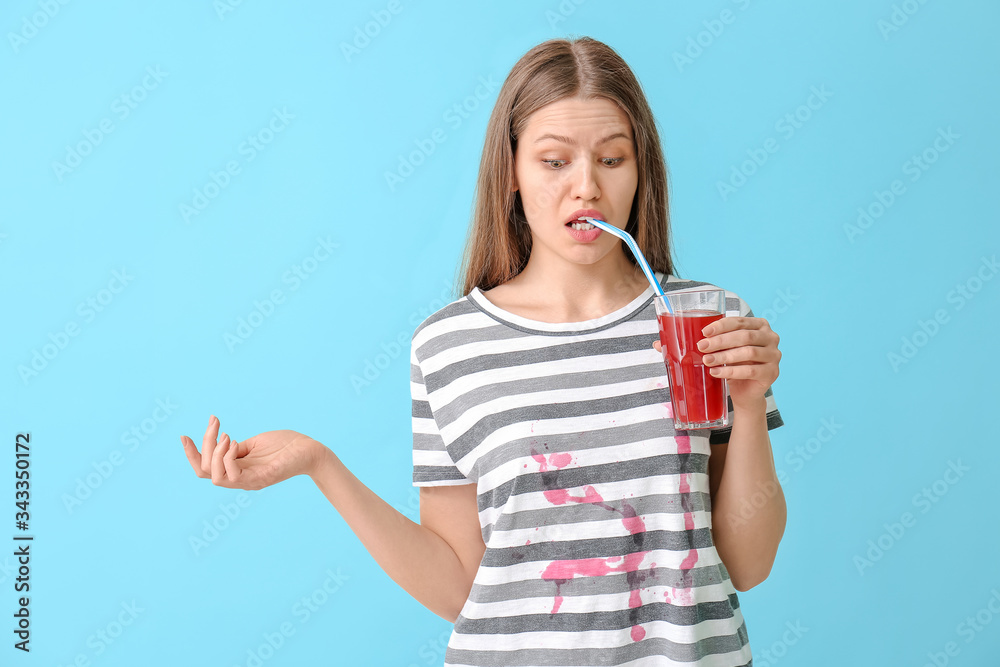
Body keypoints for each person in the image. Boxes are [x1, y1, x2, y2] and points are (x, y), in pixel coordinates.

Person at [181, 36, 785, 667]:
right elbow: (461, 585)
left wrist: (747, 408)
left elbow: (750, 563)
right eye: (554, 162)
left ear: (641, 172)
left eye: (612, 159)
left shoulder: (708, 323)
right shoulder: (449, 346)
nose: (587, 188)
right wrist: (320, 465)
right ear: (511, 175)